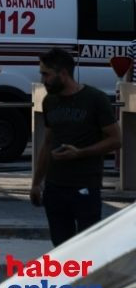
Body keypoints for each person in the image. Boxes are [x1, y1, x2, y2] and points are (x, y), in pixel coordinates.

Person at [31, 48, 121, 246]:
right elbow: (47, 143)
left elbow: (116, 139)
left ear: (63, 74)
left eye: (46, 74)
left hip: (85, 184)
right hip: (55, 186)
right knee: (61, 247)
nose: (43, 79)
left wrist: (81, 153)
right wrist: (36, 182)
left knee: (87, 247)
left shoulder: (95, 99)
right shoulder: (50, 101)